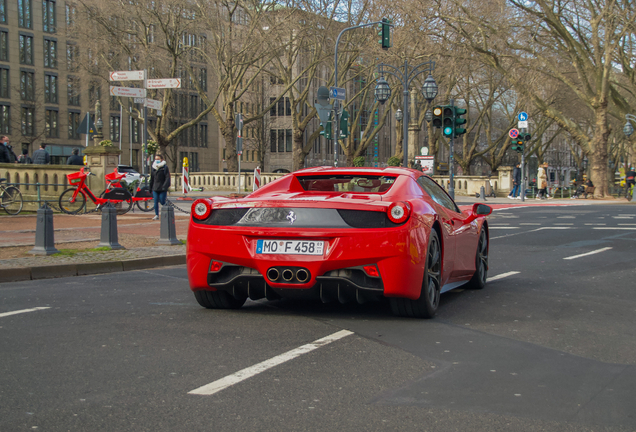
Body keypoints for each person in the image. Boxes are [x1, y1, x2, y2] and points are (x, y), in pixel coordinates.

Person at [149, 154, 171, 220]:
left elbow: (167, 178)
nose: (157, 160)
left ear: (162, 160)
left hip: (162, 188)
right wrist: (150, 187)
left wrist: (165, 186)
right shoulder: (153, 168)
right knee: (155, 201)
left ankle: (167, 210)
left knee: (162, 201)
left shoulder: (165, 167)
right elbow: (152, 178)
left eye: (158, 159)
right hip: (155, 187)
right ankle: (156, 215)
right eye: (156, 159)